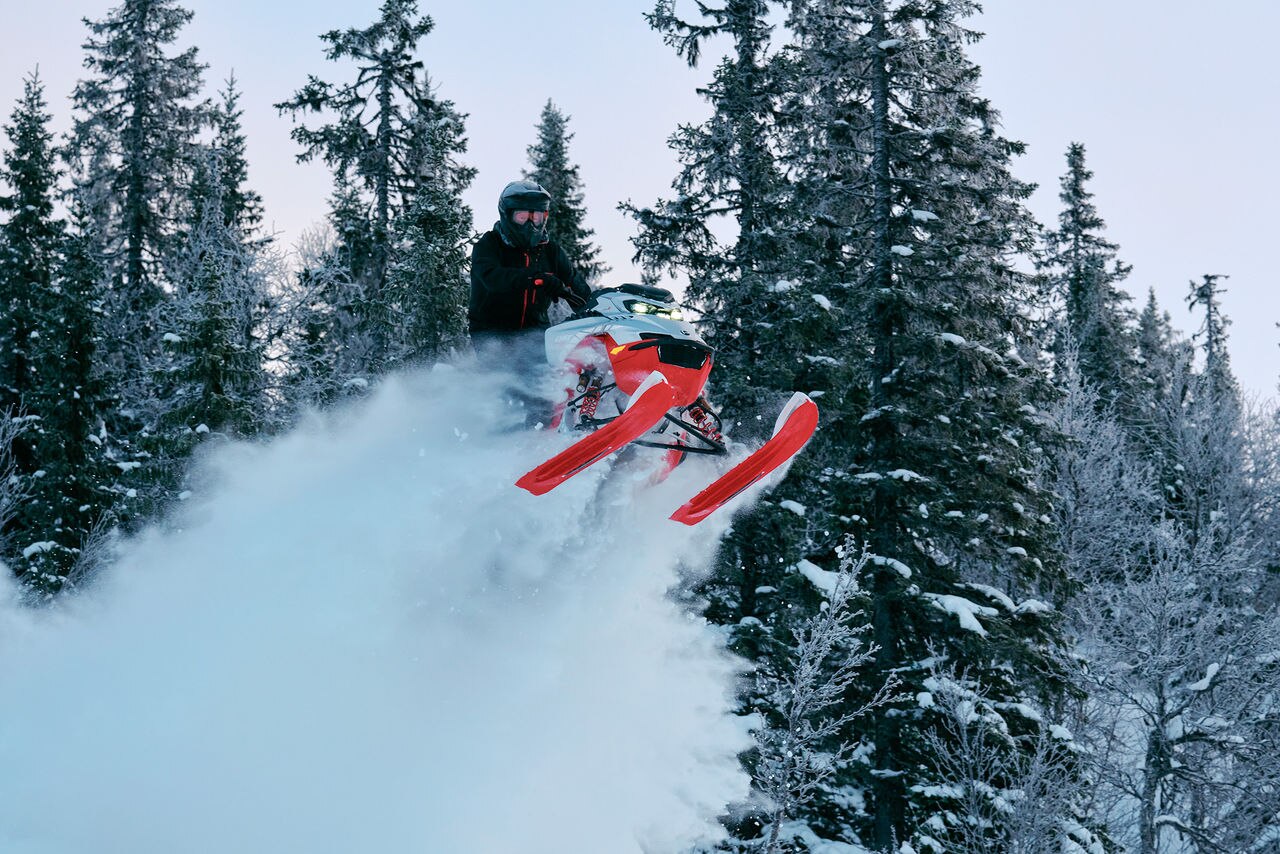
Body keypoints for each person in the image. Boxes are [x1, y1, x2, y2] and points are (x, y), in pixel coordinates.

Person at [469, 180, 592, 338]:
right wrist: (535, 279)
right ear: (507, 215)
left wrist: (596, 307)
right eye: (522, 217)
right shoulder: (489, 244)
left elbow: (576, 285)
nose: (530, 224)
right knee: (499, 355)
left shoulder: (551, 251)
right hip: (492, 332)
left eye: (536, 217)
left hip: (536, 333)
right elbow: (492, 278)